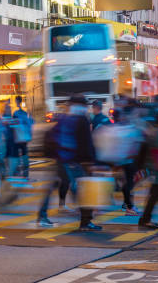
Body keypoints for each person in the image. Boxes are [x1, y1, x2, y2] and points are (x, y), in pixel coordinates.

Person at [38, 94, 101, 231]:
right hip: (74, 161)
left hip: (61, 159)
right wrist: (90, 162)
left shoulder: (64, 117)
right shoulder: (82, 119)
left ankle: (42, 216)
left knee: (55, 187)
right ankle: (85, 221)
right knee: (81, 190)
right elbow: (86, 143)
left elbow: (49, 135)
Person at [12, 96, 33, 178]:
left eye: (16, 101)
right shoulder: (24, 112)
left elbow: (13, 125)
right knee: (24, 154)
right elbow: (30, 123)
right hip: (23, 137)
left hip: (18, 137)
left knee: (18, 155)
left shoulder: (16, 113)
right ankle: (25, 173)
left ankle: (19, 172)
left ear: (17, 101)